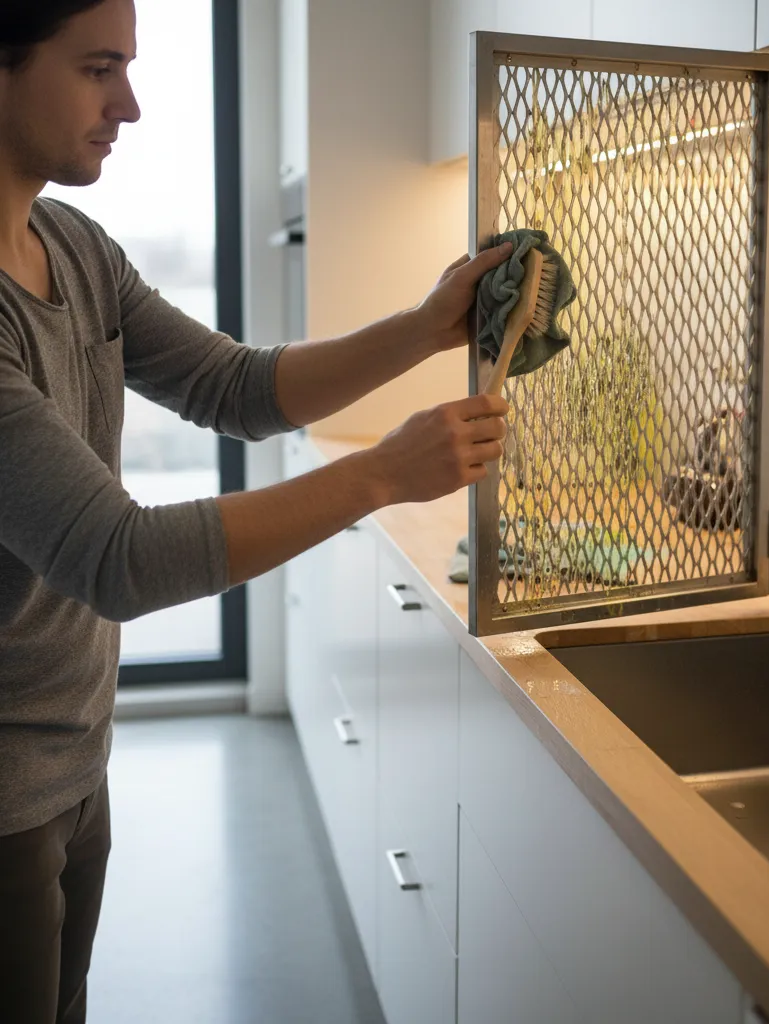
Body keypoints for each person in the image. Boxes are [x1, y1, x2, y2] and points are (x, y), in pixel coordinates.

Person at [0, 0, 510, 1020]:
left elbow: (234, 387)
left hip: (74, 756)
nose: (130, 104)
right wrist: (380, 474)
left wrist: (425, 327)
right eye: (99, 68)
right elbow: (118, 557)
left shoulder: (73, 246)